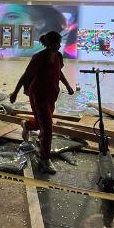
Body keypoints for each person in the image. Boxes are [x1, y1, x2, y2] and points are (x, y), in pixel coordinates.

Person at [10, 30, 74, 174]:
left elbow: (59, 71)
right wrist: (15, 92)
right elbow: (26, 75)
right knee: (48, 127)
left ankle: (26, 124)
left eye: (59, 42)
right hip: (38, 94)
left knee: (42, 122)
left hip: (52, 93)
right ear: (49, 43)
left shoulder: (58, 56)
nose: (59, 45)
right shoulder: (38, 57)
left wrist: (67, 84)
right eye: (57, 43)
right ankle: (44, 158)